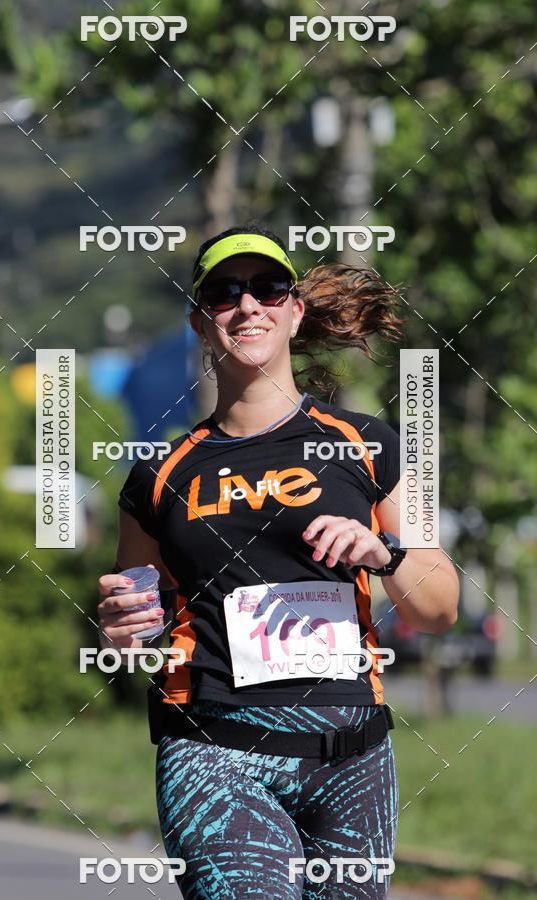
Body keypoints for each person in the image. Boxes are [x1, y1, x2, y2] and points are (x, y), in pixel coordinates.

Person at [97, 224, 460, 899]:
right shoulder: (157, 475)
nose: (247, 305)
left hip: (352, 759)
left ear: (294, 311)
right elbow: (134, 620)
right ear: (200, 322)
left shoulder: (371, 445)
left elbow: (440, 608)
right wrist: (119, 631)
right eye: (223, 293)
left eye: (266, 288)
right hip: (214, 752)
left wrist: (385, 554)